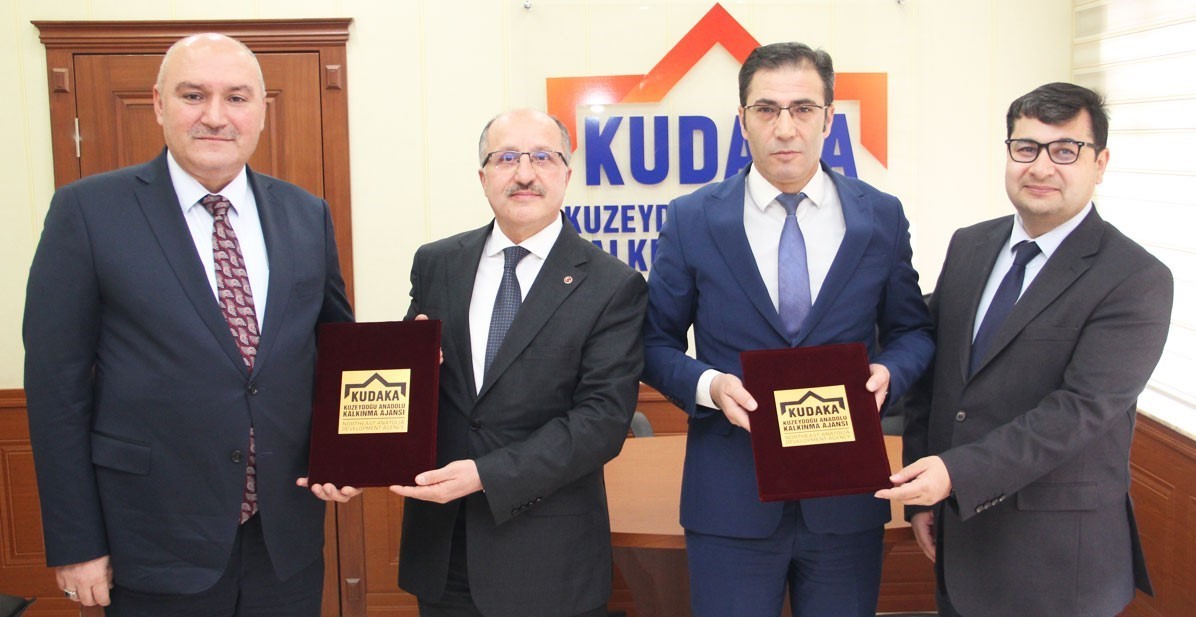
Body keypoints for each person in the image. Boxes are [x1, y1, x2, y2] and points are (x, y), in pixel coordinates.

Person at [23, 33, 356, 616]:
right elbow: (56, 390)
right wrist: (78, 544)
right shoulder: (88, 212)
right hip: (151, 539)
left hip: (285, 542)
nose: (215, 116)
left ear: (261, 111)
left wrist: (350, 453)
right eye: (193, 95)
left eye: (236, 97)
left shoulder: (307, 214)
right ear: (159, 104)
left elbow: (335, 355)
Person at [640, 42, 934, 617]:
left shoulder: (880, 215)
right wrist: (710, 387)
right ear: (742, 120)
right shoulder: (693, 218)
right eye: (766, 109)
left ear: (828, 118)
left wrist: (889, 373)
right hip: (731, 498)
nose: (784, 127)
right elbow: (654, 344)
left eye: (802, 109)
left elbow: (913, 332)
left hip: (846, 498)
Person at [877, 82, 1172, 617]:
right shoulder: (970, 245)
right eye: (1026, 147)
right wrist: (925, 485)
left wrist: (954, 473)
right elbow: (935, 377)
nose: (1041, 167)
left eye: (1065, 151)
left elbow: (1078, 412)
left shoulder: (1135, 278)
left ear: (1100, 163)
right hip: (958, 540)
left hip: (1057, 566)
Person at [391, 109, 647, 617]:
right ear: (483, 176)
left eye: (543, 158)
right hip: (443, 550)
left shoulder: (612, 284)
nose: (525, 173)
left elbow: (601, 421)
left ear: (566, 175)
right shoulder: (437, 263)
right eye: (506, 158)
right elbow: (409, 384)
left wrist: (486, 475)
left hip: (547, 558)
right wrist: (408, 364)